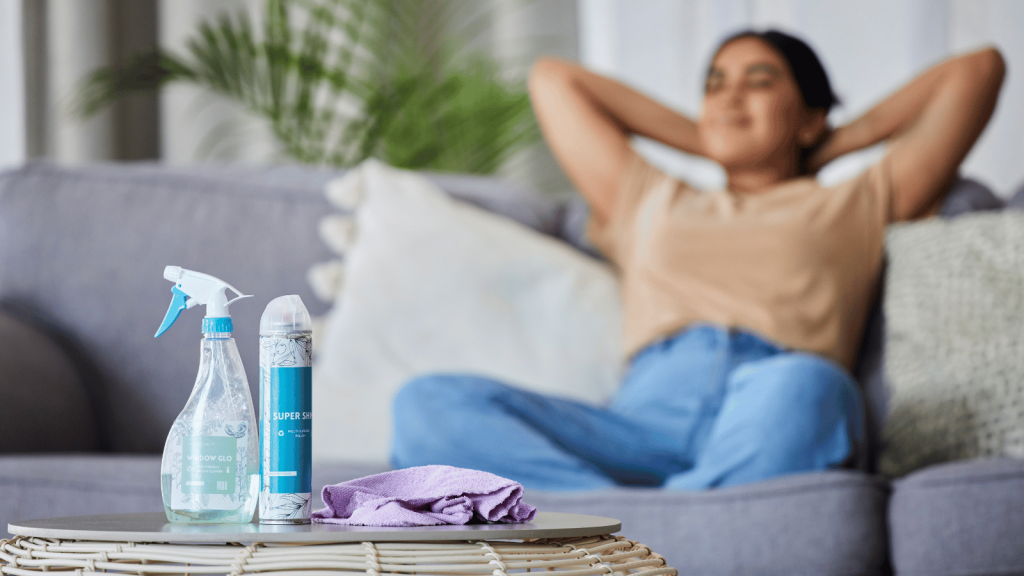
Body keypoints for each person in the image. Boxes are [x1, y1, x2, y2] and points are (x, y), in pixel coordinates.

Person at [390, 30, 1006, 490]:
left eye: (759, 81)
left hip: (769, 410)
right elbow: (554, 79)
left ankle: (638, 527)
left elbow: (978, 71)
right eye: (715, 83)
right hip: (639, 420)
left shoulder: (854, 201)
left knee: (815, 386)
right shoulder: (651, 197)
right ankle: (642, 522)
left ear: (812, 114)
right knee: (427, 404)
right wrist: (719, 135)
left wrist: (822, 144)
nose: (729, 96)